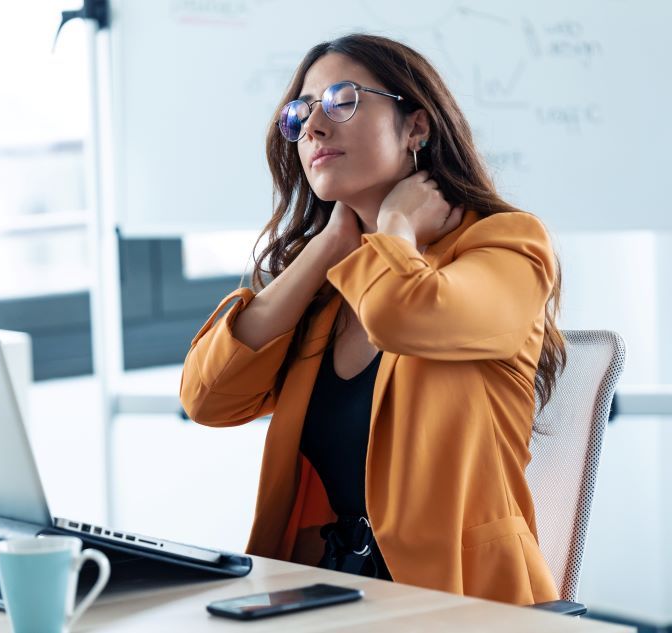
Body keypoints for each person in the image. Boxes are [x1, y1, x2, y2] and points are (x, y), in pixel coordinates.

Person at [179, 33, 564, 605]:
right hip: (330, 594)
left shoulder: (507, 247)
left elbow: (404, 314)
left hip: (460, 603)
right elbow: (206, 398)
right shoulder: (333, 285)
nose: (313, 126)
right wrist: (323, 249)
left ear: (416, 127)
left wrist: (397, 226)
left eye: (341, 100)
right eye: (302, 112)